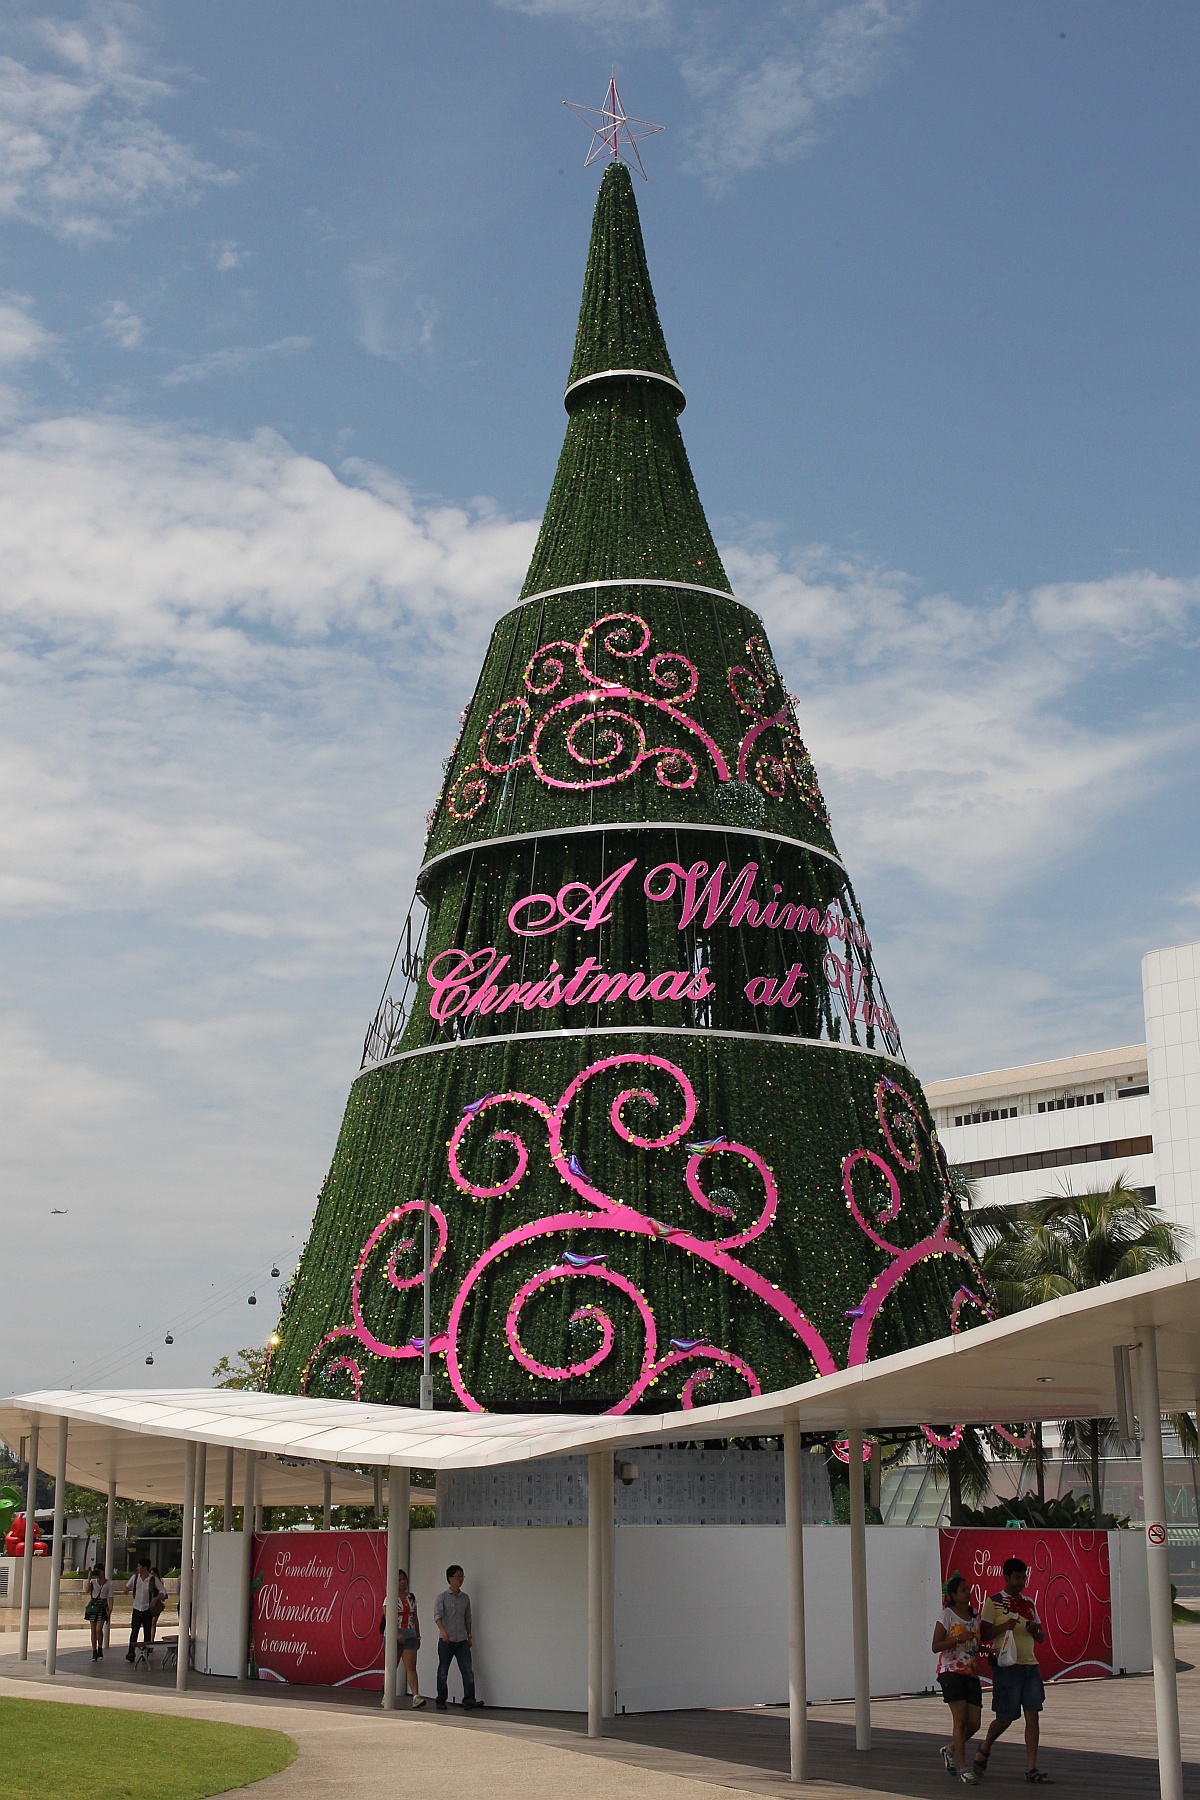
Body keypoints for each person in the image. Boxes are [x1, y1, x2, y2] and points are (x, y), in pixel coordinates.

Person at [977, 1556, 1051, 1784]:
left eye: (1024, 1578)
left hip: (1030, 1666)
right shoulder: (994, 1602)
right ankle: (985, 1747)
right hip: (1007, 1667)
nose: (1021, 1582)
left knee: (1033, 1715)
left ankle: (1031, 1768)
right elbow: (984, 1634)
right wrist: (1005, 1626)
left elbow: (1041, 1638)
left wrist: (1035, 1630)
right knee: (1006, 1717)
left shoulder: (1029, 1603)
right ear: (1006, 1577)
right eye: (1017, 1578)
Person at [932, 1570, 983, 1785]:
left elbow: (975, 1644)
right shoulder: (947, 1615)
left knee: (975, 1723)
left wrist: (989, 1651)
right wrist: (957, 1638)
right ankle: (964, 1768)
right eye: (963, 1590)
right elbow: (936, 1646)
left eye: (968, 1589)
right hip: (951, 1672)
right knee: (960, 1721)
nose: (968, 1593)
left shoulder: (975, 1615)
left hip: (971, 1672)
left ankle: (950, 1749)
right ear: (953, 1595)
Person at [433, 1564, 479, 1710]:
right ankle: (441, 1700)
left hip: (462, 1640)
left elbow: (468, 1618)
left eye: (462, 1576)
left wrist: (469, 1636)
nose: (460, 1579)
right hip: (446, 1640)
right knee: (443, 1672)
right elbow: (437, 1616)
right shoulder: (442, 1597)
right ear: (450, 1578)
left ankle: (469, 1699)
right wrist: (443, 1631)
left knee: (467, 1671)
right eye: (457, 1576)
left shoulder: (465, 1598)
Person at [379, 1569, 426, 1708]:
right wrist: (397, 1633)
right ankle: (386, 1695)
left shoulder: (411, 1597)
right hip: (393, 1636)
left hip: (410, 1634)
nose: (402, 1582)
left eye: (404, 1579)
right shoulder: (389, 1598)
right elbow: (388, 1618)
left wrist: (418, 1635)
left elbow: (414, 1617)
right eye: (399, 1580)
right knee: (391, 1666)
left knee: (411, 1667)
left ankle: (416, 1696)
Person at [124, 1557, 165, 1662]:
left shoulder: (153, 1579)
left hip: (147, 1609)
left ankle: (145, 1653)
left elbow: (163, 1592)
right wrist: (126, 1589)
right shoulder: (135, 1578)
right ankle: (131, 1652)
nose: (137, 1568)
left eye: (139, 1566)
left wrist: (155, 1599)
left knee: (147, 1632)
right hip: (137, 1608)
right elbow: (127, 1587)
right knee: (134, 1631)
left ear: (145, 1567)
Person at [85, 1562, 113, 1662]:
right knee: (93, 1630)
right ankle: (94, 1651)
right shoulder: (93, 1582)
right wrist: (89, 1578)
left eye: (98, 1571)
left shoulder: (109, 1583)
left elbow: (110, 1597)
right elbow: (87, 1590)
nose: (97, 1573)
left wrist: (110, 1609)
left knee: (98, 1629)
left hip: (102, 1607)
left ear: (103, 1571)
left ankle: (100, 1648)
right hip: (93, 1606)